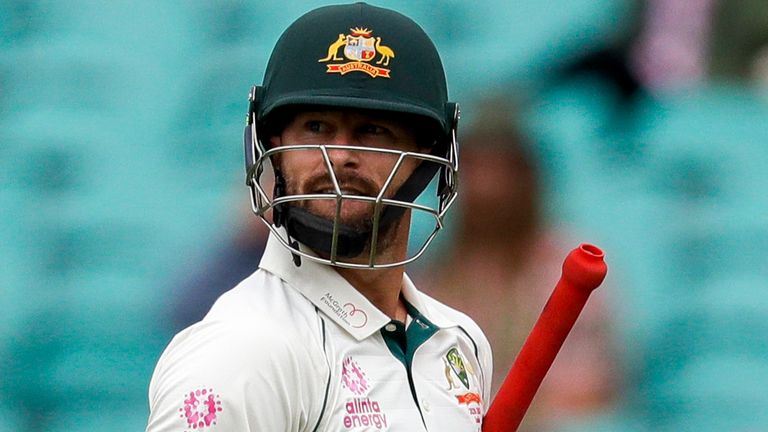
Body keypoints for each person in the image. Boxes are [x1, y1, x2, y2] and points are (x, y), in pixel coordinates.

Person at [146, 3, 491, 431]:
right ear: (272, 144)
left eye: (374, 131)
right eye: (315, 127)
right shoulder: (241, 352)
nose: (340, 156)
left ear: (430, 158)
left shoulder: (459, 341)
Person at [416, 99, 621, 431]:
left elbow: (591, 390)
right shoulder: (435, 271)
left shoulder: (570, 268)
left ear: (528, 177)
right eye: (475, 169)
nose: (487, 188)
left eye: (500, 169)